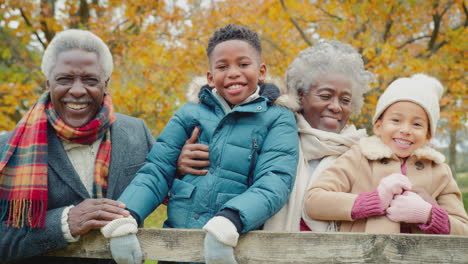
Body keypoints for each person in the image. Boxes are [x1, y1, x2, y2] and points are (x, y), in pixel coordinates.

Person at [100, 24, 299, 264]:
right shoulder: (189, 113)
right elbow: (157, 169)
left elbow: (275, 179)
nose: (233, 72)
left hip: (236, 244)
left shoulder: (278, 117)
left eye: (243, 64)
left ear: (262, 71)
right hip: (178, 246)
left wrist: (231, 219)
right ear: (210, 77)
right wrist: (127, 215)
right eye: (222, 66)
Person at [178, 40, 375, 232]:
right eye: (325, 96)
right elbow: (226, 174)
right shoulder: (270, 136)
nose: (335, 106)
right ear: (300, 95)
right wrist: (180, 169)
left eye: (346, 100)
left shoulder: (365, 155)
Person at [0, 29, 154, 263]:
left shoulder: (137, 132)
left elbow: (164, 179)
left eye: (90, 80)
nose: (78, 90)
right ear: (48, 83)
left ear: (105, 83)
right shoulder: (10, 148)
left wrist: (181, 164)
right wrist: (64, 222)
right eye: (65, 80)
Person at [305, 73, 468, 234]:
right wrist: (373, 201)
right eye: (396, 120)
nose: (405, 130)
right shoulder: (359, 157)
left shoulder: (439, 171)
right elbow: (314, 202)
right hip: (361, 257)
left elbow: (463, 229)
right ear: (378, 125)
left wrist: (428, 214)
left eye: (417, 124)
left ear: (428, 135)